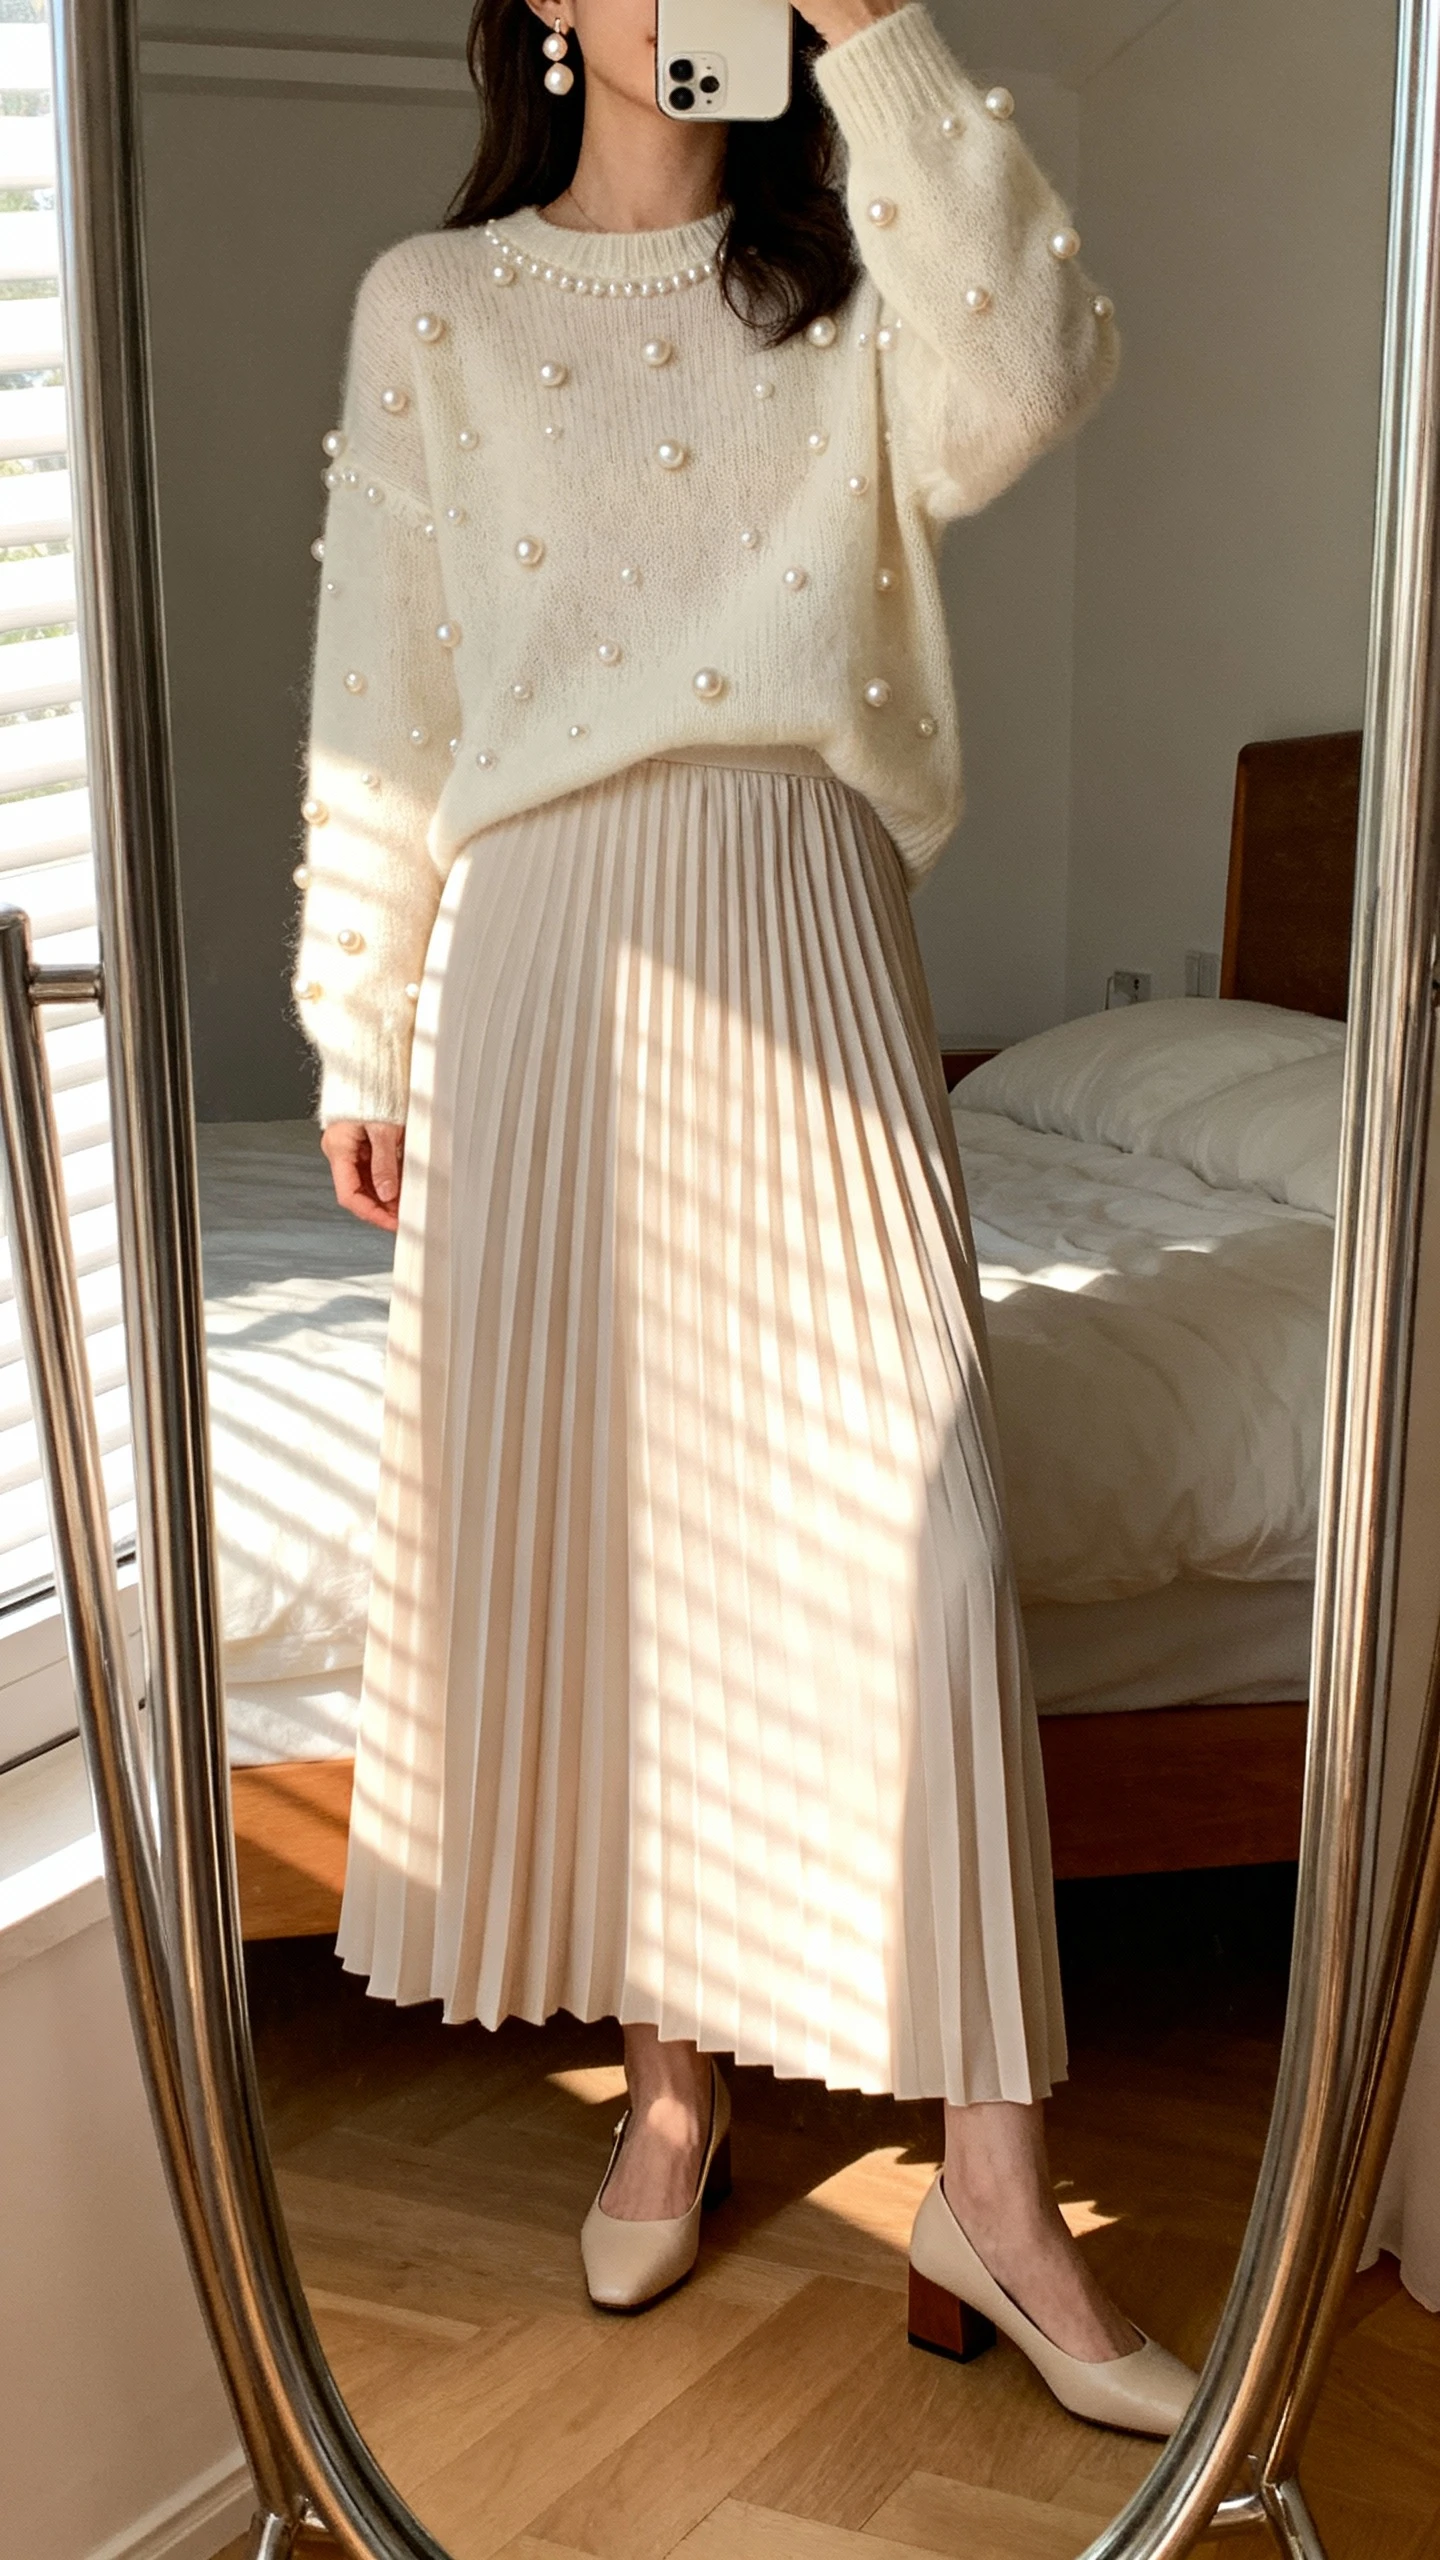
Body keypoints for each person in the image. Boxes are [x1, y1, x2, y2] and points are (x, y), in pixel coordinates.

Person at [292, 0, 1195, 2435]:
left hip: (800, 897)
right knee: (633, 1529)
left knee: (924, 1522)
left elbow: (1034, 371)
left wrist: (877, 31)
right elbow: (385, 677)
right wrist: (355, 1014)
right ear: (544, 7)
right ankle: (670, 2085)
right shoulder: (436, 304)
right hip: (542, 953)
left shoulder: (860, 292)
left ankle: (999, 2200)